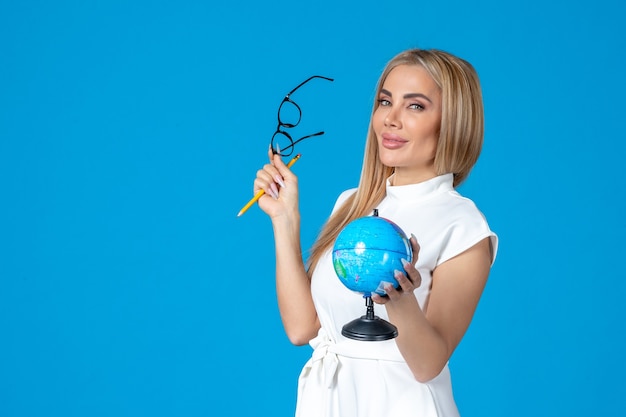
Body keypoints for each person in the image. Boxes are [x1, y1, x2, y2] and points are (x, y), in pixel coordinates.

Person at [252, 48, 498, 417]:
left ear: (452, 122)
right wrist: (285, 220)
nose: (390, 119)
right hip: (329, 400)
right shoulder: (351, 203)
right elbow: (302, 329)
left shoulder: (463, 226)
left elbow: (428, 364)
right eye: (385, 101)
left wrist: (399, 298)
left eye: (415, 106)